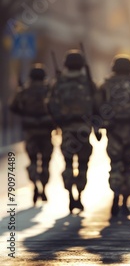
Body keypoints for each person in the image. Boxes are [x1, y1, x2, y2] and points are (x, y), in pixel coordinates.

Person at [47, 49, 99, 213]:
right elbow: (98, 106)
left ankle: (70, 195)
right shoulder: (88, 83)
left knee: (68, 163)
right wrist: (96, 126)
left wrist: (58, 122)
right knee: (83, 164)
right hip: (84, 130)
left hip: (67, 130)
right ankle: (80, 196)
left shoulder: (59, 83)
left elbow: (51, 105)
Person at [98, 55, 130, 216]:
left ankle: (115, 195)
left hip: (113, 132)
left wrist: (99, 126)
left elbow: (97, 107)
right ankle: (125, 202)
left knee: (115, 165)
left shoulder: (106, 85)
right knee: (129, 167)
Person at [10, 64, 56, 205]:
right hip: (46, 131)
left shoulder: (24, 91)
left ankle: (35, 185)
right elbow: (57, 106)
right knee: (46, 162)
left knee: (33, 161)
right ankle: (44, 188)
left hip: (30, 132)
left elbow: (13, 107)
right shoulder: (49, 90)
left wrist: (26, 113)